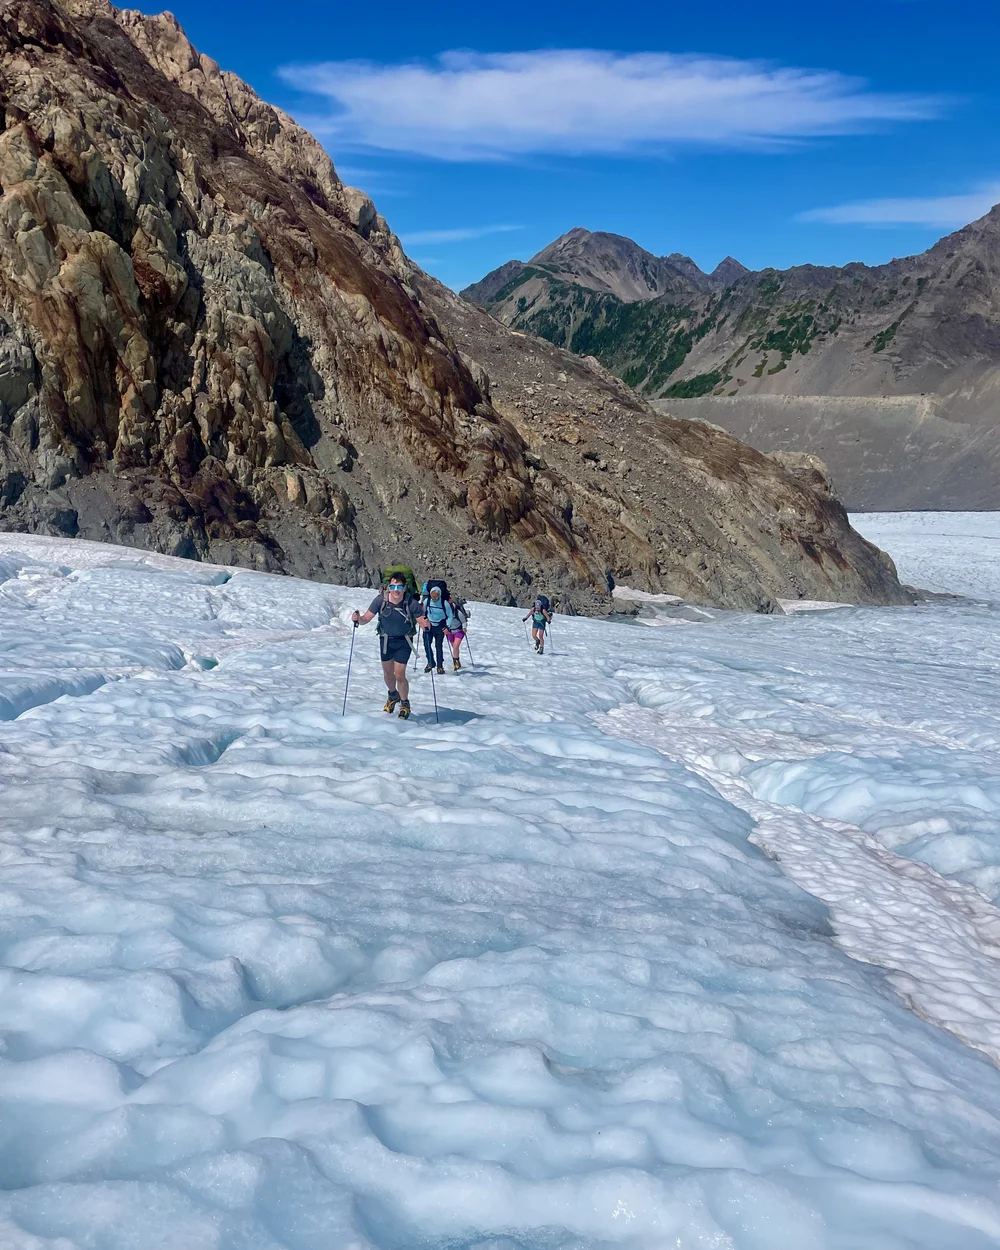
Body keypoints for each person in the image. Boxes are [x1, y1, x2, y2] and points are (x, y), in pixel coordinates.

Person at [352, 575, 429, 719]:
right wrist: (357, 619)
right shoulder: (381, 600)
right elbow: (366, 618)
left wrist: (425, 624)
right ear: (389, 588)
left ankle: (405, 703)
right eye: (393, 587)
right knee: (388, 675)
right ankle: (393, 694)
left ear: (404, 588)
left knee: (399, 674)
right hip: (386, 640)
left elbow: (420, 620)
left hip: (404, 641)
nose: (396, 590)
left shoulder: (410, 602)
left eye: (399, 587)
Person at [422, 584, 449, 674]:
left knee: (438, 646)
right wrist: (424, 620)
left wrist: (447, 626)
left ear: (439, 595)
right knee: (426, 644)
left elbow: (450, 616)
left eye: (436, 596)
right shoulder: (427, 601)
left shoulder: (444, 603)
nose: (434, 598)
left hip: (440, 627)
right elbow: (423, 612)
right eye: (433, 596)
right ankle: (431, 662)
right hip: (429, 626)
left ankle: (439, 666)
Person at [446, 596, 470, 670]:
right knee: (454, 648)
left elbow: (463, 621)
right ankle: (457, 662)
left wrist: (464, 627)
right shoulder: (444, 612)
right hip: (449, 632)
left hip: (459, 631)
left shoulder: (458, 613)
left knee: (455, 647)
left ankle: (456, 663)